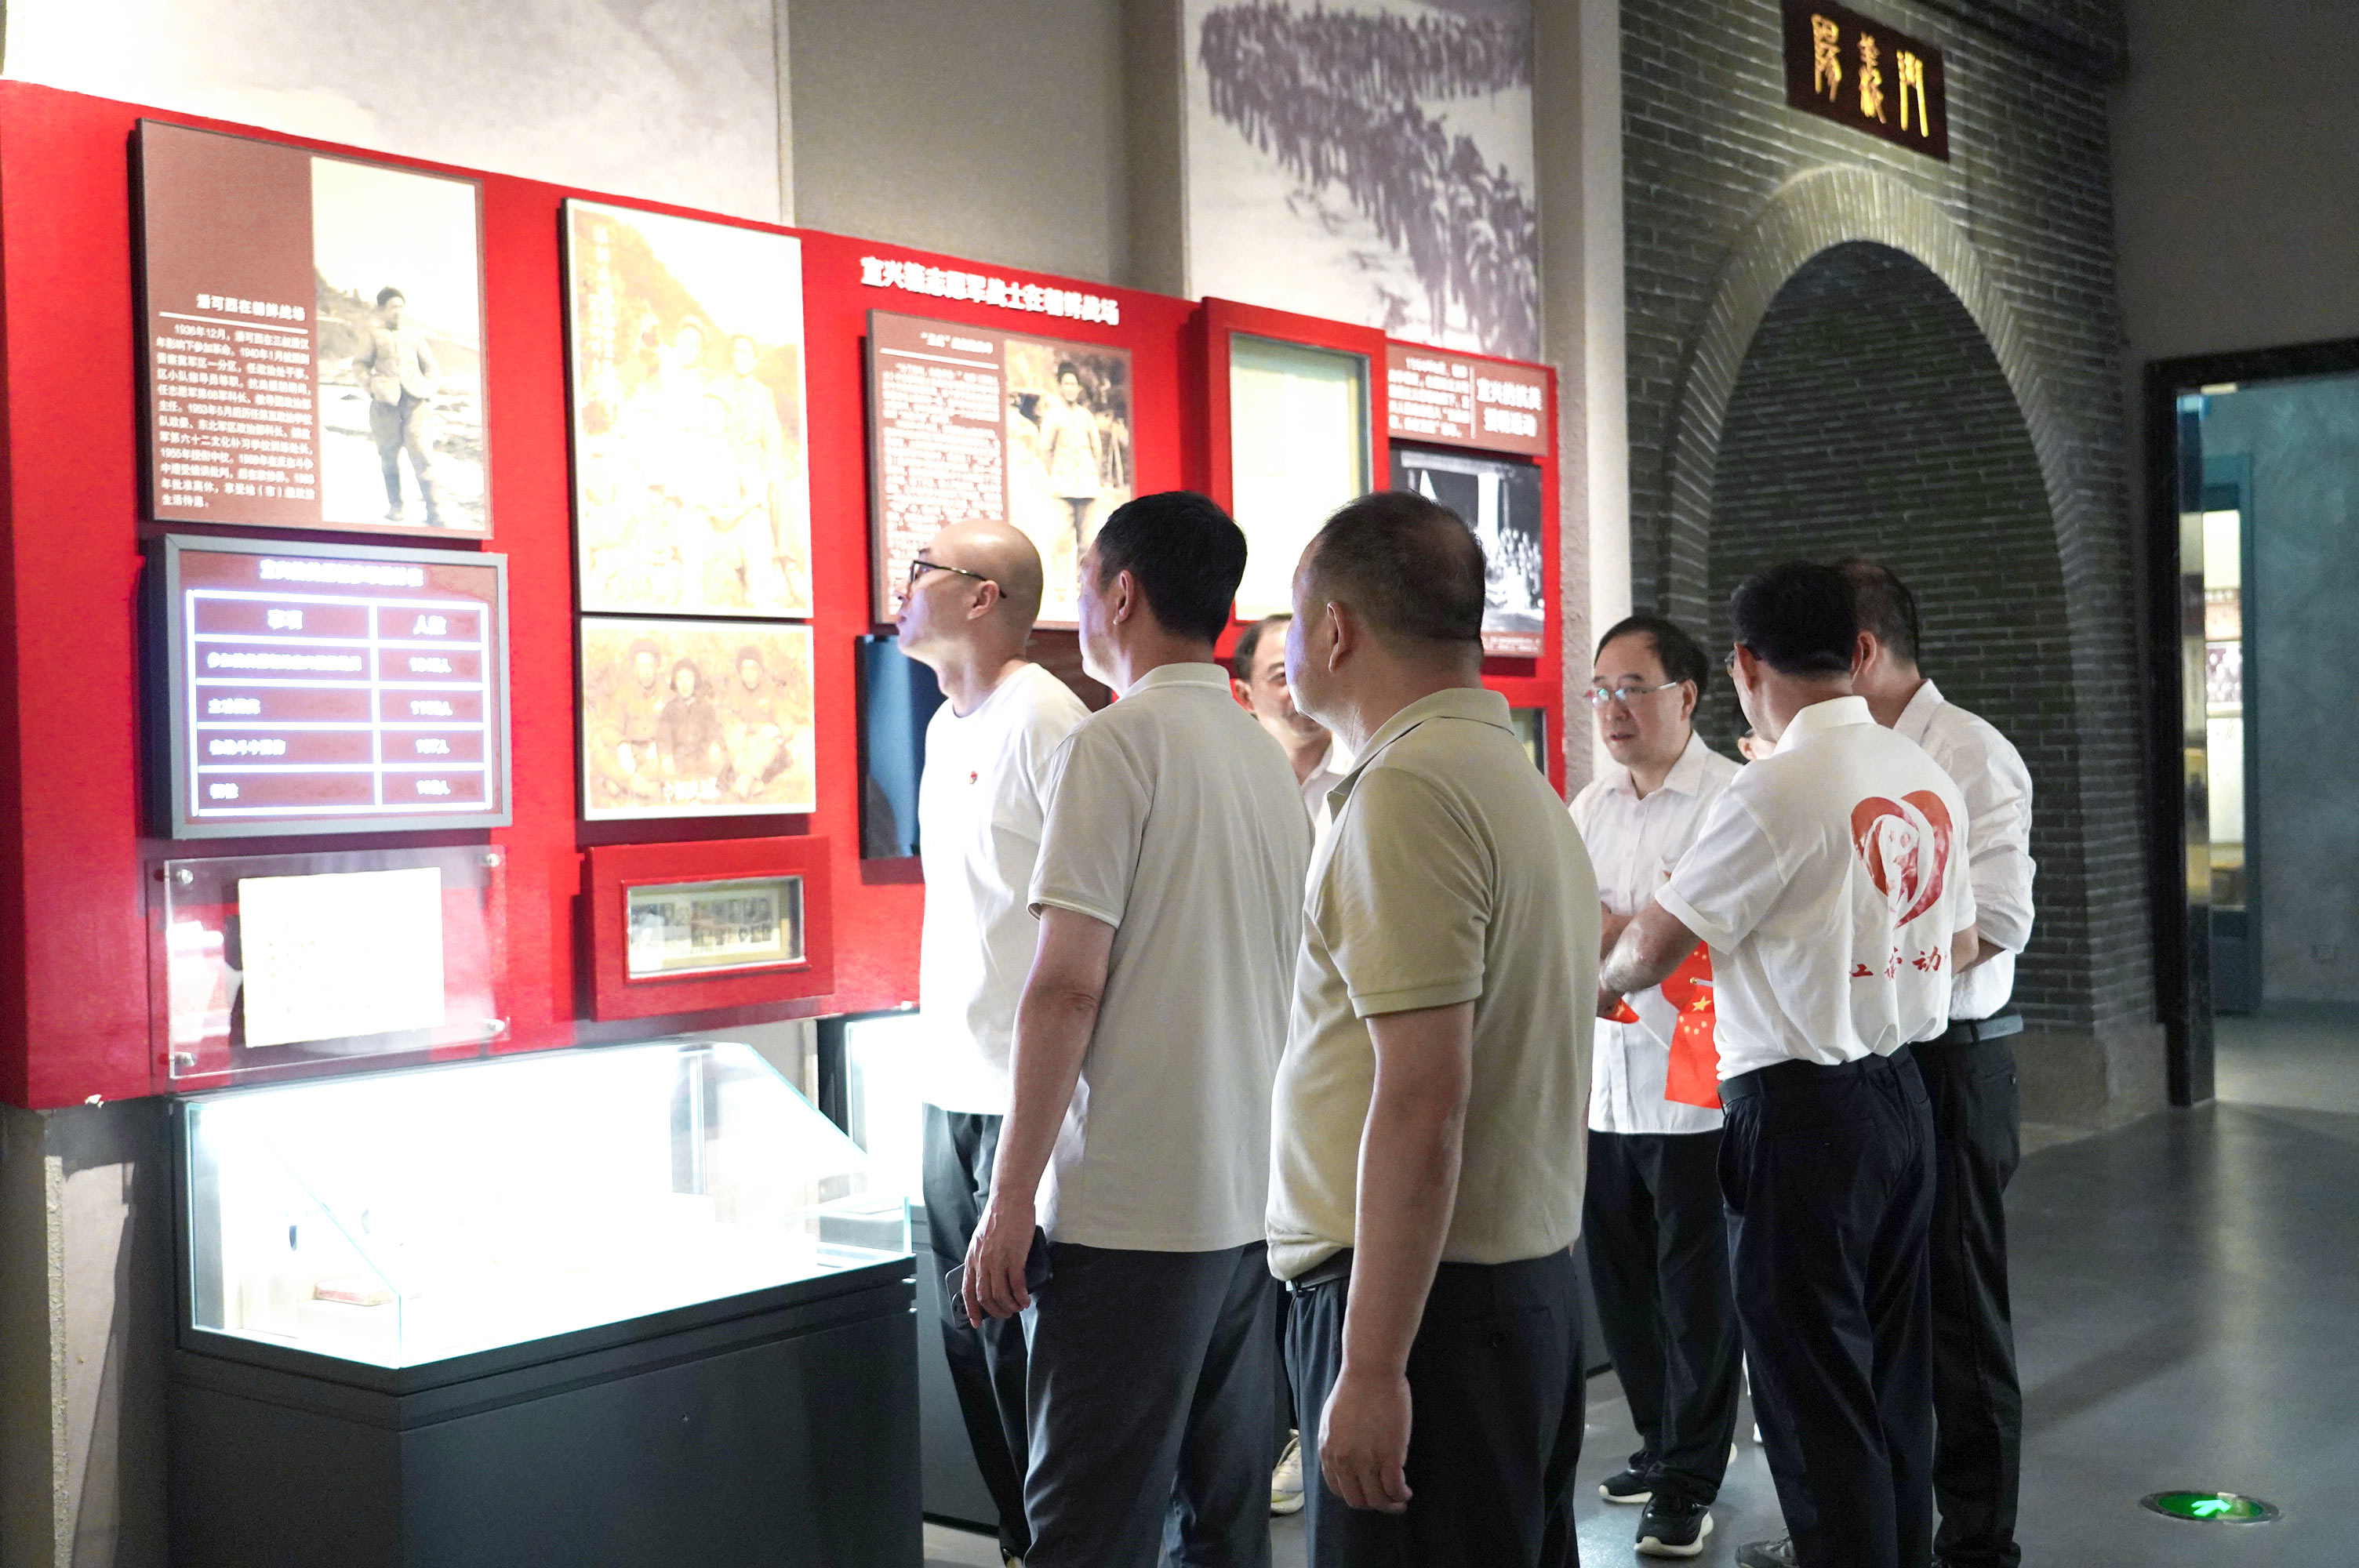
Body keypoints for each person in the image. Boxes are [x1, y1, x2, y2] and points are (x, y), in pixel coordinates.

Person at [1598, 562, 1978, 1568]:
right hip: (1904, 1092)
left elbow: (1649, 950)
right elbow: (1959, 934)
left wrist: (1596, 979)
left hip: (1799, 1113)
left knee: (1811, 1395)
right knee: (1890, 1376)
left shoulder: (1772, 787)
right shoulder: (1920, 770)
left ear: (1740, 664)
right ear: (1856, 651)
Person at [961, 492, 1310, 1568]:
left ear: (1120, 593)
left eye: (1081, 583)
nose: (1075, 607)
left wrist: (1009, 1197)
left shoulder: (1113, 747)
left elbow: (1066, 988)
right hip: (1247, 1206)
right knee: (1222, 1527)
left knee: (1085, 1529)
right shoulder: (1264, 759)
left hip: (1125, 1220)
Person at [1269, 490, 1598, 1566]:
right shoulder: (1508, 778)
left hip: (1425, 1312)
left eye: (1293, 616)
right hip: (1501, 1293)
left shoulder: (1406, 790)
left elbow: (1423, 1095)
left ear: (1334, 629)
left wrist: (1370, 1366)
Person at [899, 521, 1089, 1568]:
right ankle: (1022, 1543)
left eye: (920, 570)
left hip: (1028, 1095)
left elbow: (1092, 926)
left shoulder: (1049, 722)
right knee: (968, 1342)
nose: (903, 586)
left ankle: (1061, 1543)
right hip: (950, 1084)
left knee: (1033, 1351)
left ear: (982, 597)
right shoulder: (943, 726)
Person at [1839, 558, 2037, 1568]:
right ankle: (1878, 1532)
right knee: (1874, 1313)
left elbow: (1997, 919)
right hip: (1871, 1058)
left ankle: (1976, 1544)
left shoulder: (1966, 750)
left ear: (1860, 651)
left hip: (1952, 1061)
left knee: (1957, 1319)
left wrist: (1861, 956)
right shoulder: (1846, 755)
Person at [1569, 614, 1742, 1559]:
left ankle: (1689, 1477)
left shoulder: (1729, 799)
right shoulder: (1588, 806)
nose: (1612, 707)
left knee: (1695, 1294)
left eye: (1631, 688)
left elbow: (1697, 935)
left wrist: (1625, 927)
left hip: (1696, 1087)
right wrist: (1635, 926)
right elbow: (1570, 922)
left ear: (1686, 695)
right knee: (1622, 1284)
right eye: (1600, 689)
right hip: (1605, 1084)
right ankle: (1657, 1440)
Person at [1232, 614, 1349, 823]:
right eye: (1283, 675)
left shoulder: (1366, 768)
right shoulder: (1232, 781)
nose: (1307, 687)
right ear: (1246, 696)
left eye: (1317, 669)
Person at [354, 286, 442, 525]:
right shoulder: (374, 335)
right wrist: (372, 388)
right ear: (383, 310)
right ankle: (396, 508)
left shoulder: (415, 336)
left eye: (401, 307)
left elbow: (431, 368)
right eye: (393, 307)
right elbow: (360, 365)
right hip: (385, 408)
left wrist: (427, 389)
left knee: (422, 457)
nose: (398, 312)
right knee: (388, 458)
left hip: (415, 407)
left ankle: (435, 512)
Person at [1037, 364, 1103, 566]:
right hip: (1063, 489)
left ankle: (1083, 582)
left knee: (1088, 543)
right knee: (1061, 542)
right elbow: (1045, 449)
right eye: (1066, 384)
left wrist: (1093, 475)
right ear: (1060, 386)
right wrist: (1057, 473)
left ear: (1079, 388)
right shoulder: (1053, 416)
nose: (1070, 388)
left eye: (1073, 384)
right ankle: (1060, 585)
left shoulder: (1086, 416)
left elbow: (1097, 450)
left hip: (1087, 488)